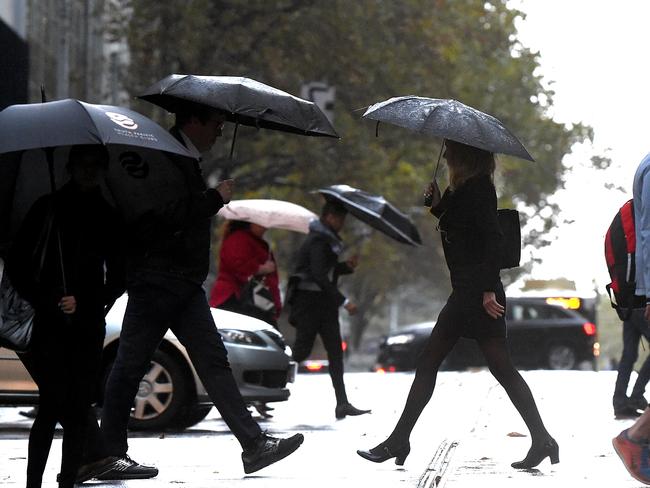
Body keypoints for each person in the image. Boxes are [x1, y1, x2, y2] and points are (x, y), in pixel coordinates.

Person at [100, 101, 304, 476]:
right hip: (158, 279)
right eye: (216, 123)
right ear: (193, 120)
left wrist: (210, 198)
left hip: (183, 283)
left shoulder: (184, 158)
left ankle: (254, 445)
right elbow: (162, 216)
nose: (220, 131)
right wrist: (214, 199)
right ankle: (107, 452)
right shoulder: (163, 157)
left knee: (212, 361)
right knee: (130, 365)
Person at [357, 139, 557, 469]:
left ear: (465, 155)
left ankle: (399, 440)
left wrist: (488, 290)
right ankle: (542, 440)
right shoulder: (461, 189)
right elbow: (459, 228)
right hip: (465, 290)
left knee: (480, 366)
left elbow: (491, 240)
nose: (446, 154)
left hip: (477, 293)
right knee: (450, 362)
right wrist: (436, 205)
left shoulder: (479, 189)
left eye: (451, 149)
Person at [6, 145, 125, 488]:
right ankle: (33, 483)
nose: (88, 171)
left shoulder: (108, 215)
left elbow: (118, 276)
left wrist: (85, 300)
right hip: (49, 325)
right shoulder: (48, 208)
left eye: (95, 165)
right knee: (51, 405)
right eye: (83, 165)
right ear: (70, 168)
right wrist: (48, 299)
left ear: (102, 170)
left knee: (76, 411)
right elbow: (18, 264)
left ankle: (67, 481)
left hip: (87, 326)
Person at [287, 200, 370, 419]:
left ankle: (342, 403)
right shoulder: (317, 240)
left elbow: (326, 270)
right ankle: (266, 383)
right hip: (309, 304)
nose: (342, 223)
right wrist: (344, 301)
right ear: (329, 217)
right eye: (339, 218)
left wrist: (345, 267)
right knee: (301, 351)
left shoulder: (327, 240)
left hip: (324, 304)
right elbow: (318, 274)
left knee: (335, 352)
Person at [613, 151, 650, 484]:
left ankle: (635, 429)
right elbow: (649, 234)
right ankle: (636, 434)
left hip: (638, 295)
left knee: (628, 353)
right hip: (644, 293)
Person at [209, 220, 282, 327]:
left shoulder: (254, 241)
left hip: (251, 300)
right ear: (250, 222)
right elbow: (238, 266)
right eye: (261, 224)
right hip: (235, 297)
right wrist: (261, 268)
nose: (265, 228)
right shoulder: (239, 239)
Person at [613, 308, 650, 418]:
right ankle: (636, 396)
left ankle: (620, 402)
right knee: (629, 354)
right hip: (644, 306)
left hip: (627, 308)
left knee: (629, 354)